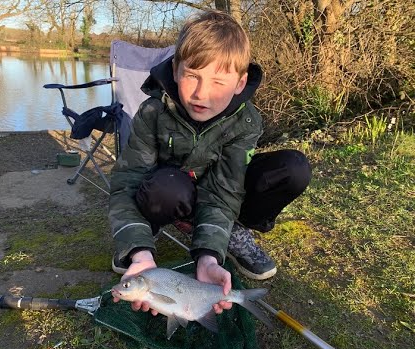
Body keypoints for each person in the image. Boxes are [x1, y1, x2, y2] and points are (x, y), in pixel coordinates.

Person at [109, 10, 311, 315]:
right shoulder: (153, 112)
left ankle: (231, 233)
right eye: (192, 75)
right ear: (176, 70)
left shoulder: (246, 121)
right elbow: (127, 182)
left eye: (218, 81)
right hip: (173, 193)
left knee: (294, 168)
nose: (202, 93)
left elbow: (225, 190)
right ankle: (140, 239)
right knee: (165, 187)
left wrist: (207, 256)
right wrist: (136, 248)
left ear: (240, 83)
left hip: (217, 193)